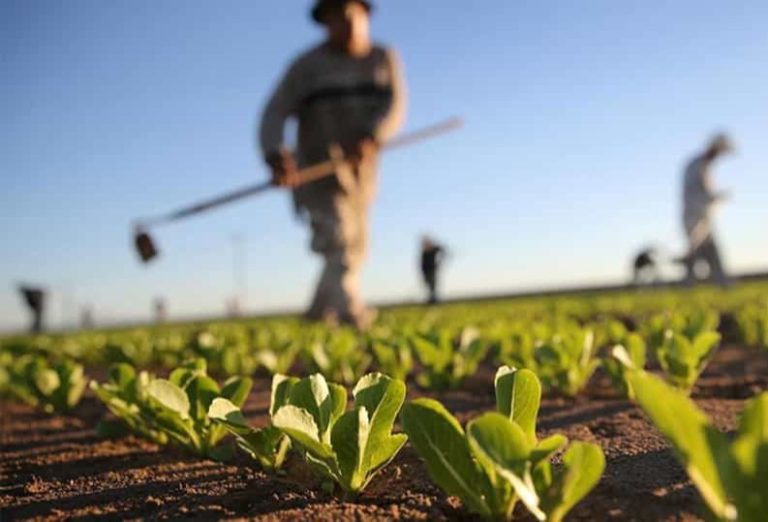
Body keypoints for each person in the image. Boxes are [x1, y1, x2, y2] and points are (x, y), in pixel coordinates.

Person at [259, 0, 406, 329]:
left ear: (366, 16)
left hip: (361, 174)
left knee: (357, 245)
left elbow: (394, 105)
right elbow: (274, 112)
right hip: (317, 171)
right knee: (338, 239)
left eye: (352, 15)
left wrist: (372, 135)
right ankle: (351, 314)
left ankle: (316, 314)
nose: (346, 23)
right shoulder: (306, 67)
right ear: (324, 22)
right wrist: (274, 154)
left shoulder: (383, 59)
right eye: (336, 17)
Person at [680, 134, 733, 287]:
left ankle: (722, 283)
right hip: (694, 217)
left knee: (710, 252)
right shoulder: (697, 165)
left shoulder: (704, 165)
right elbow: (696, 192)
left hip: (703, 217)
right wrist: (717, 197)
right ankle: (689, 286)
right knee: (695, 252)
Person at [420, 236, 446, 304]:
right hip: (426, 271)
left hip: (432, 270)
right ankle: (431, 299)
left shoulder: (434, 249)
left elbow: (443, 250)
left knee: (433, 285)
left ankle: (434, 300)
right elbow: (422, 264)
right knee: (429, 285)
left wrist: (440, 261)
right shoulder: (424, 252)